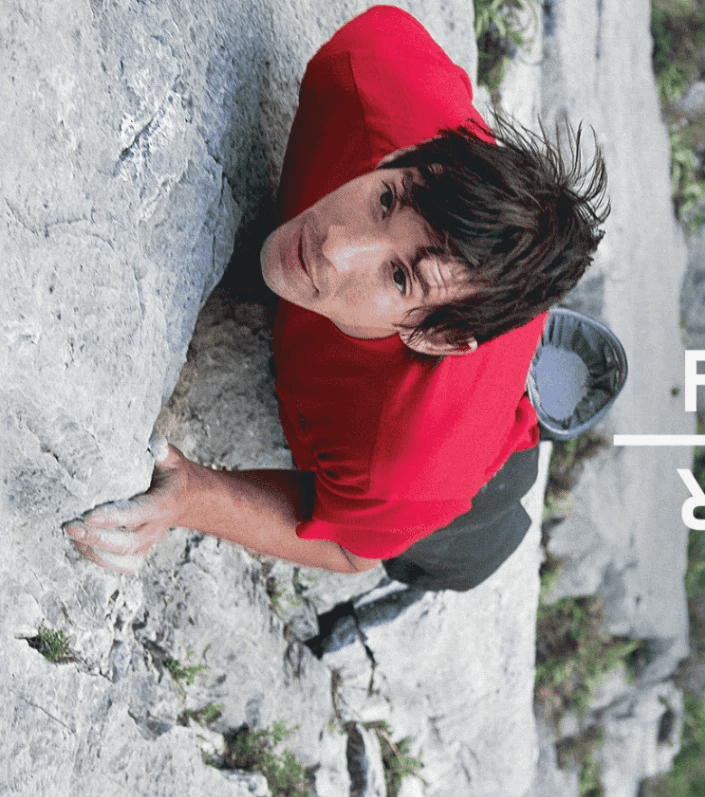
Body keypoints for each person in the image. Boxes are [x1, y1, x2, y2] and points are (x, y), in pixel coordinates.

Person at [63, 5, 608, 591]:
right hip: (469, 318)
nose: (334, 246)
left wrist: (193, 496)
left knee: (468, 553)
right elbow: (416, 66)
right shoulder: (369, 69)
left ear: (435, 337)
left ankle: (528, 401)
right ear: (402, 157)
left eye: (398, 277)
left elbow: (350, 551)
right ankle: (522, 327)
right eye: (386, 200)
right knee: (487, 289)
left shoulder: (407, 466)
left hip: (468, 448)